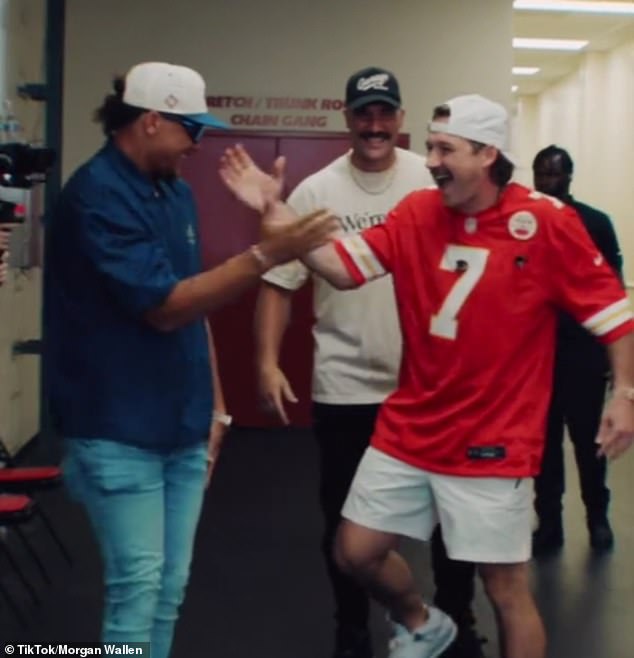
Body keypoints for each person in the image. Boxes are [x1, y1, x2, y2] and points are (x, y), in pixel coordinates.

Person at [222, 93, 634, 658]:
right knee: (354, 551)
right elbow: (340, 268)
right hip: (413, 425)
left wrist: (624, 393)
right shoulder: (416, 212)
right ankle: (421, 622)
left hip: (495, 436)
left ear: (488, 154)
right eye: (432, 146)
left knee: (505, 588)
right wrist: (275, 212)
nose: (431, 160)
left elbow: (612, 314)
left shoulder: (544, 220)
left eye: (446, 149)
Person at [44, 61, 335, 658]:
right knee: (136, 589)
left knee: (169, 588)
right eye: (192, 129)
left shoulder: (174, 192)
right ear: (151, 121)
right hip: (117, 427)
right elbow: (165, 308)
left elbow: (194, 304)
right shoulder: (97, 195)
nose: (198, 144)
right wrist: (267, 252)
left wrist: (217, 406)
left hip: (181, 425)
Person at [224, 67, 484, 658]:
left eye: (385, 112)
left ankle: (456, 623)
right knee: (346, 525)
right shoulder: (317, 191)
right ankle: (352, 627)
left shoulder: (431, 181)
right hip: (347, 388)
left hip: (432, 388)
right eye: (364, 113)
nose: (374, 125)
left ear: (401, 118)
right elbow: (279, 285)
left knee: (452, 520)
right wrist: (266, 362)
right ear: (347, 117)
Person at [532, 145, 624, 554]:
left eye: (554, 173)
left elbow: (613, 290)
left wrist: (613, 358)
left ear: (569, 176)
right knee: (545, 446)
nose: (546, 181)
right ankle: (549, 522)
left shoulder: (594, 223)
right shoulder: (524, 223)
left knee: (589, 443)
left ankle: (597, 517)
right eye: (540, 173)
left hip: (583, 353)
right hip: (538, 355)